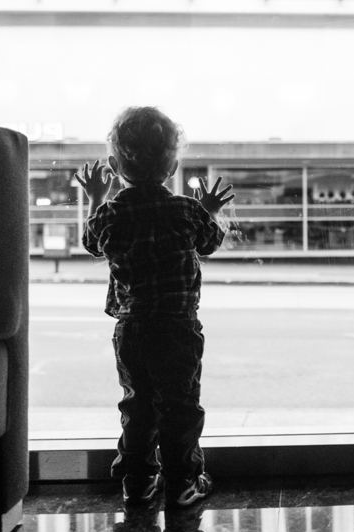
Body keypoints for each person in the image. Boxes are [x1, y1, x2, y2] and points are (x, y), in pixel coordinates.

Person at [77, 106, 234, 507]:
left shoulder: (112, 213)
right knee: (179, 405)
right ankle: (183, 482)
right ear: (173, 165)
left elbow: (92, 243)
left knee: (137, 405)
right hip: (178, 327)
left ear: (115, 165)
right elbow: (209, 244)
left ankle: (137, 481)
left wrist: (97, 195)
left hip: (131, 329)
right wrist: (211, 210)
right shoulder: (185, 210)